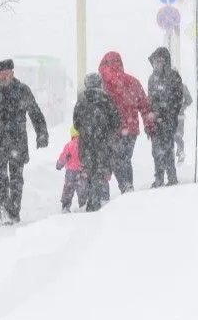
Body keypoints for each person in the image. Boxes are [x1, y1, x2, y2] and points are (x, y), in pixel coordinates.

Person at [0, 59, 49, 225]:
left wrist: (41, 133)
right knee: (0, 180)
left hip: (17, 141)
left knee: (16, 179)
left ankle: (14, 210)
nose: (2, 77)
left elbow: (35, 112)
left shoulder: (22, 90)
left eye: (6, 74)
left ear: (12, 73)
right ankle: (4, 212)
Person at [97, 51, 155, 194]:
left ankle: (125, 186)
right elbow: (145, 106)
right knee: (125, 158)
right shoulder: (133, 82)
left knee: (115, 159)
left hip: (112, 129)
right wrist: (150, 126)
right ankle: (128, 186)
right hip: (131, 129)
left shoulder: (103, 83)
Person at [73, 72, 120, 212]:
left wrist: (85, 131)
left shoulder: (81, 100)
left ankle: (90, 201)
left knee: (89, 171)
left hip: (86, 143)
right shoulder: (106, 99)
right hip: (103, 143)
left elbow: (76, 123)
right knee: (100, 172)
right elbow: (116, 120)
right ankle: (97, 200)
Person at [147, 47, 184, 187]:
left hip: (168, 120)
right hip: (156, 121)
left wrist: (166, 113)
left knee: (168, 148)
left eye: (159, 62)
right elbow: (150, 99)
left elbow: (177, 99)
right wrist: (152, 115)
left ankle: (172, 177)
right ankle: (159, 177)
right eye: (154, 62)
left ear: (165, 62)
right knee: (156, 150)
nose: (156, 65)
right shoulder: (152, 79)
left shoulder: (173, 77)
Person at [56, 125, 86, 213]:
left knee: (68, 189)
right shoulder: (85, 144)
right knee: (82, 189)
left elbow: (63, 157)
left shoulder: (69, 145)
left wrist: (59, 164)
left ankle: (65, 206)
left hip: (71, 172)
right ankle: (83, 204)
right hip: (82, 171)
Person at [175, 82, 192, 164]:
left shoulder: (164, 85)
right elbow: (189, 100)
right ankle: (181, 151)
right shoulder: (182, 86)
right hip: (179, 116)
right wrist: (182, 107)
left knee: (168, 138)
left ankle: (179, 152)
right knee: (178, 136)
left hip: (168, 117)